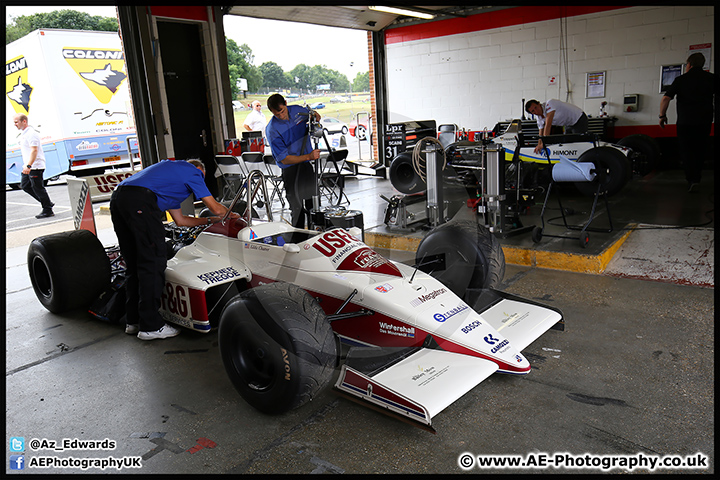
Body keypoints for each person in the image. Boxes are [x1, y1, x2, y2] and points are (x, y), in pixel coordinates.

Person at [110, 159, 238, 340]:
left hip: (119, 199)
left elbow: (182, 221)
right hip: (140, 202)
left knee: (134, 263)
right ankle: (151, 326)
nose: (198, 184)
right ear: (199, 170)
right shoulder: (192, 171)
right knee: (153, 262)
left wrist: (211, 221)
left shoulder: (168, 184)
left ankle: (134, 320)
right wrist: (234, 216)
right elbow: (215, 208)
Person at [659, 52, 716, 192]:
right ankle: (697, 177)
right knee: (701, 149)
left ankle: (691, 179)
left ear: (689, 65)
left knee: (687, 151)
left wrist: (662, 116)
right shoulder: (711, 78)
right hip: (704, 121)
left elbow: (666, 99)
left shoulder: (681, 80)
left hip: (685, 122)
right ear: (702, 64)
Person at [265, 93, 321, 229]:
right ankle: (298, 239)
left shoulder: (297, 111)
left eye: (282, 111)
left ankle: (318, 234)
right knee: (297, 208)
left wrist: (315, 116)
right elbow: (284, 159)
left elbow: (314, 115)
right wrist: (309, 156)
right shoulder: (272, 130)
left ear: (285, 103)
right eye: (277, 114)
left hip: (306, 167)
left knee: (313, 204)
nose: (281, 116)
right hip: (290, 169)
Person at [13, 113, 55, 218]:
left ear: (24, 121)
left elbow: (34, 150)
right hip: (28, 166)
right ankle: (47, 203)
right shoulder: (24, 134)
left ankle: (47, 209)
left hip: (35, 166)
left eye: (16, 122)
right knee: (25, 185)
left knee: (38, 188)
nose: (15, 124)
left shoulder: (31, 133)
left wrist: (28, 165)